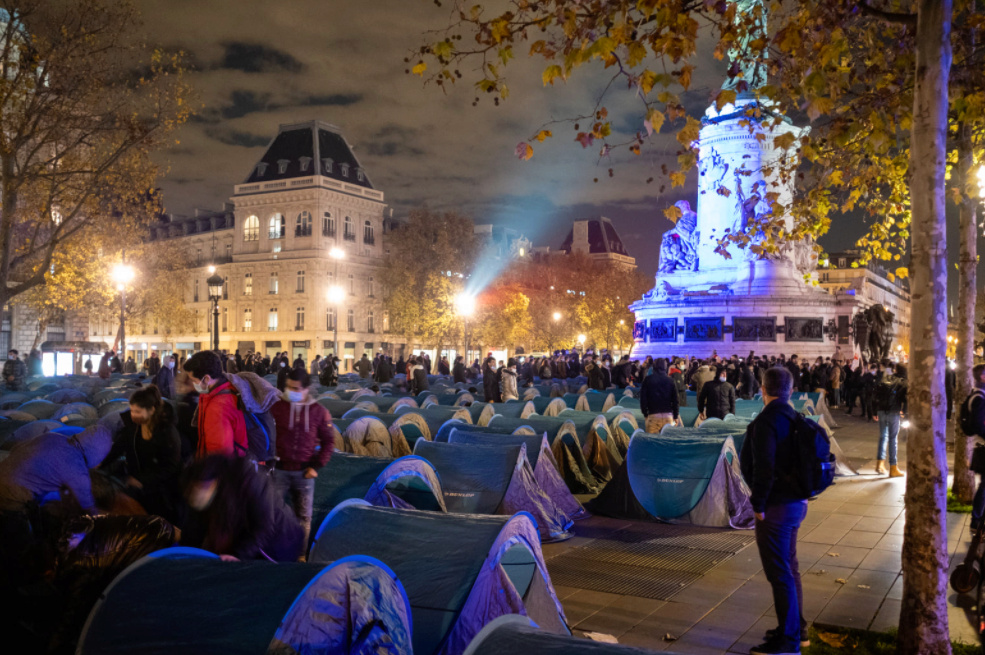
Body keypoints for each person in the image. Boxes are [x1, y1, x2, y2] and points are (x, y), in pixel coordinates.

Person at [741, 367, 810, 655]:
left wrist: (758, 505)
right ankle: (796, 629)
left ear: (763, 390)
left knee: (779, 573)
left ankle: (788, 643)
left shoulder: (766, 421)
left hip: (776, 508)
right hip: (797, 504)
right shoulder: (796, 418)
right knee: (790, 569)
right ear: (790, 391)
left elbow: (764, 467)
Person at [181, 455, 304, 562]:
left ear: (212, 483)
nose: (194, 497)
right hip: (252, 545)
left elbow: (263, 526)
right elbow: (194, 529)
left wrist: (237, 555)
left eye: (198, 490)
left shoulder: (248, 478)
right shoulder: (201, 484)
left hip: (279, 546)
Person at [270, 369, 334, 551]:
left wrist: (317, 466)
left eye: (296, 388)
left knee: (304, 517)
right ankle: (274, 552)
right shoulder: (277, 408)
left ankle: (300, 555)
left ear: (306, 389)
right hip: (279, 469)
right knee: (273, 513)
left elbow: (329, 441)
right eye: (288, 387)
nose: (291, 391)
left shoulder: (319, 412)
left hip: (304, 472)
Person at [99, 386, 182, 521]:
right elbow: (119, 447)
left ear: (151, 410)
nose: (133, 415)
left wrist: (142, 479)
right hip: (136, 487)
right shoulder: (132, 427)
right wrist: (102, 462)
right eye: (131, 410)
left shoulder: (168, 433)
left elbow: (171, 467)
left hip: (162, 492)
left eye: (138, 411)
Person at [0, 425, 113, 514]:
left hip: (3, 470)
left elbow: (16, 448)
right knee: (18, 535)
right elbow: (87, 506)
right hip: (11, 494)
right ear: (97, 454)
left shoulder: (54, 437)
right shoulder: (77, 469)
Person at [182, 351, 247, 458]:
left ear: (207, 379)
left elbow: (219, 455)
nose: (193, 385)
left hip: (220, 470)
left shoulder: (218, 407)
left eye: (194, 380)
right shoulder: (227, 389)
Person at [874, 362, 907, 477]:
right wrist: (904, 411)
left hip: (881, 410)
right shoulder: (902, 382)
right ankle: (893, 467)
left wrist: (874, 411)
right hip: (893, 412)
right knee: (893, 439)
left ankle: (880, 464)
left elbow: (876, 394)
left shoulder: (886, 379)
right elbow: (905, 398)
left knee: (883, 437)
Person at [639, 358, 679, 433]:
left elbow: (643, 399)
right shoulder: (670, 380)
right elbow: (675, 400)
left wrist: (645, 413)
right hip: (668, 415)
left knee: (652, 442)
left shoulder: (648, 380)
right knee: (667, 442)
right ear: (665, 367)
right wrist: (675, 416)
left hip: (653, 415)